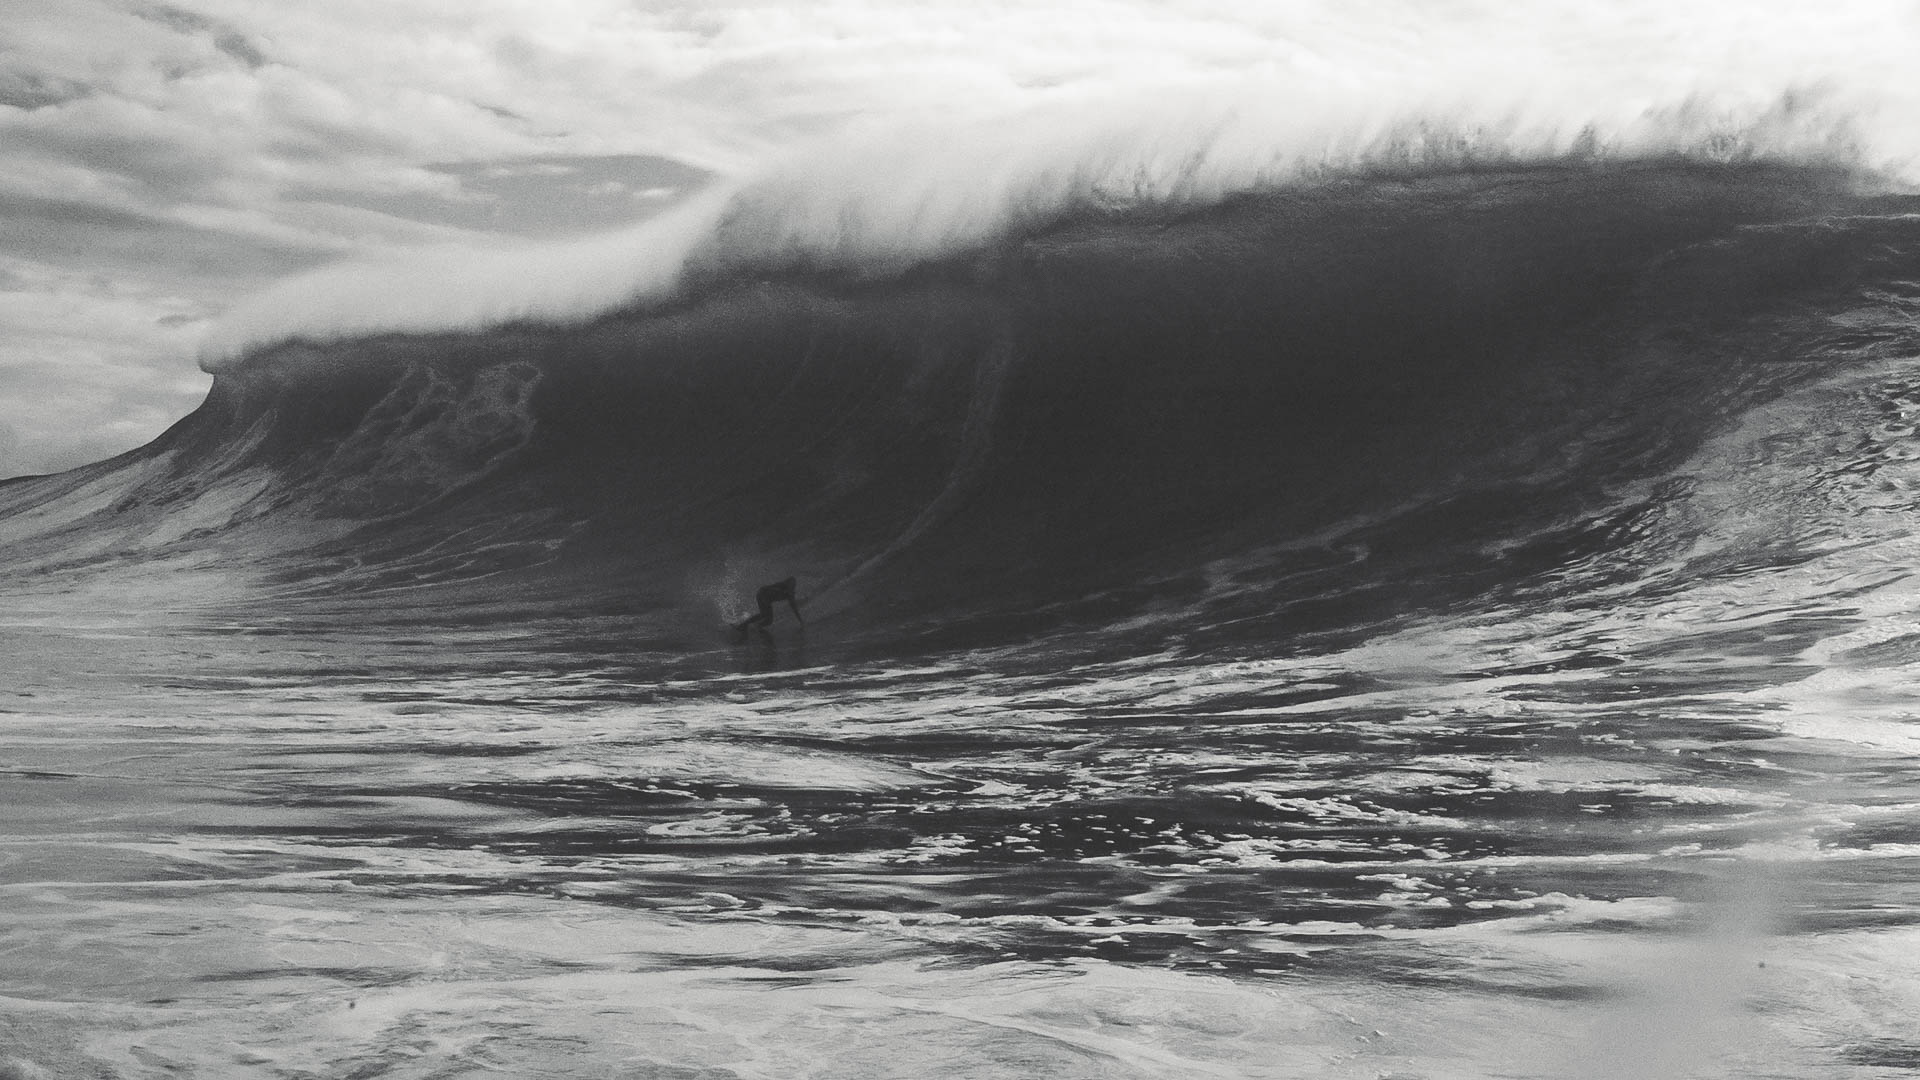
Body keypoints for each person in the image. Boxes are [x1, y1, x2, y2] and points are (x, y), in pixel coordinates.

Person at [735, 577, 802, 635]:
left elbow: (795, 609)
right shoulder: (784, 585)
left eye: (792, 588)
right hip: (762, 593)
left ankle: (756, 626)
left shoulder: (790, 596)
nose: (790, 590)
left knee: (769, 620)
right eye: (790, 587)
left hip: (765, 597)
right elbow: (792, 579)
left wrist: (801, 621)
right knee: (764, 614)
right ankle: (743, 626)